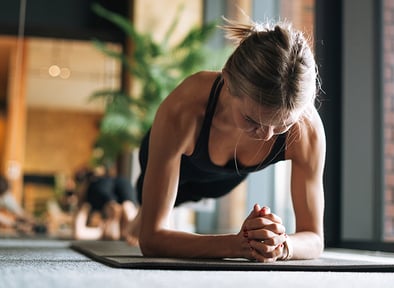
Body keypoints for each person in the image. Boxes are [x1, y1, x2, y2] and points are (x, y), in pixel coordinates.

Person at [128, 18, 326, 263]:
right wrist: (236, 245)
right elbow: (151, 240)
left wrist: (282, 245)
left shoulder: (307, 129)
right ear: (228, 81)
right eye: (252, 120)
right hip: (175, 159)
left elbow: (315, 239)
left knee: (192, 195)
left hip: (224, 179)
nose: (266, 136)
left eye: (281, 126)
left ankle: (140, 216)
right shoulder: (184, 108)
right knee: (145, 213)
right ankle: (135, 216)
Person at [73, 165, 138, 240]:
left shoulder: (91, 190)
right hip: (121, 183)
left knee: (126, 211)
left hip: (101, 189)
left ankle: (116, 221)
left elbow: (78, 233)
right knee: (128, 209)